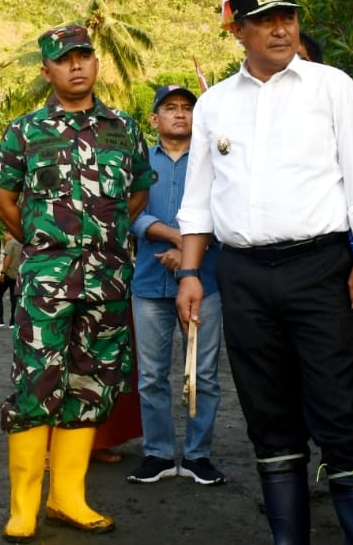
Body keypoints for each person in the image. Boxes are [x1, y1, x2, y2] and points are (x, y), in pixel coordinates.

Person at [176, 0, 353, 544]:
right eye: (265, 20)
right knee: (268, 416)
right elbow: (198, 199)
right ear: (238, 30)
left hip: (322, 270)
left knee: (342, 411)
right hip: (243, 275)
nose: (280, 28)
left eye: (288, 17)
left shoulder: (332, 87)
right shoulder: (215, 103)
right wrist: (192, 273)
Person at [0, 23, 152, 541]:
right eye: (64, 59)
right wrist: (48, 246)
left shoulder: (125, 129)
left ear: (96, 63)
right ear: (47, 71)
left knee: (92, 381)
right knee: (36, 383)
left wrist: (98, 242)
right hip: (46, 282)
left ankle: (68, 497)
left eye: (84, 55)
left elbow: (137, 196)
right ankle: (23, 505)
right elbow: (5, 204)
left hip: (106, 279)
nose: (76, 65)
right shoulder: (24, 131)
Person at [127, 84, 227, 486]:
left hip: (205, 281)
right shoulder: (138, 164)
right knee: (151, 375)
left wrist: (189, 256)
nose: (180, 114)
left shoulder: (214, 162)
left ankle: (199, 455)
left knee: (203, 374)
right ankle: (159, 453)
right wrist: (177, 239)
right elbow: (127, 213)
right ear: (155, 119)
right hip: (149, 283)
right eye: (170, 108)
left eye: (187, 108)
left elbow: (224, 211)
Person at [0, 235, 22, 327]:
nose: (4, 237)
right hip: (17, 274)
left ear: (8, 233)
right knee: (14, 299)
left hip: (8, 274)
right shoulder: (22, 243)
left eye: (5, 234)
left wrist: (3, 272)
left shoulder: (10, 243)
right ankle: (13, 321)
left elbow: (8, 258)